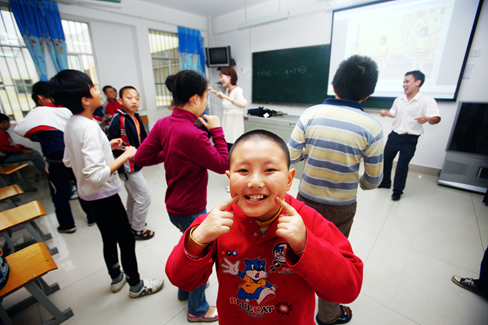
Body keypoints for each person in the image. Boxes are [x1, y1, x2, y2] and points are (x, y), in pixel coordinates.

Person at [165, 129, 363, 325]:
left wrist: (305, 244)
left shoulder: (307, 220)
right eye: (243, 171)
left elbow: (348, 289)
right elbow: (181, 280)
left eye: (269, 170)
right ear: (229, 178)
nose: (255, 182)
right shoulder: (215, 222)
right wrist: (197, 239)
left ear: (288, 180)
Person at [48, 69, 163, 298]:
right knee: (126, 239)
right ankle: (136, 285)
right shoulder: (89, 127)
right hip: (103, 195)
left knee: (107, 236)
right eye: (92, 87)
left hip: (86, 195)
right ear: (85, 99)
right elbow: (96, 174)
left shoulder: (73, 123)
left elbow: (69, 160)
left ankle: (116, 277)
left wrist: (106, 147)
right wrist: (125, 154)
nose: (97, 89)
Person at [288, 55, 383, 325]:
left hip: (305, 201)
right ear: (368, 94)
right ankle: (328, 315)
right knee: (332, 259)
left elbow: (289, 156)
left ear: (334, 84)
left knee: (299, 249)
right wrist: (361, 184)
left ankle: (295, 304)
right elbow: (373, 179)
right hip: (341, 207)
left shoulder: (311, 114)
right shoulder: (373, 128)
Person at [134, 69, 228, 322]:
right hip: (191, 209)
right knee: (200, 258)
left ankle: (184, 292)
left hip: (173, 207)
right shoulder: (192, 133)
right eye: (206, 98)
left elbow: (140, 158)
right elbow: (222, 164)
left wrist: (171, 151)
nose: (206, 103)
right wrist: (217, 131)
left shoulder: (164, 124)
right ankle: (197, 310)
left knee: (189, 248)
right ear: (196, 98)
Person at [14, 81, 95, 233]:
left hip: (55, 161)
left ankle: (67, 225)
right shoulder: (67, 109)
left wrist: (39, 135)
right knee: (82, 188)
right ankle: (92, 217)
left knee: (59, 193)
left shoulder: (36, 113)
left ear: (39, 97)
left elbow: (19, 129)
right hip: (76, 159)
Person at [378, 70, 440, 201]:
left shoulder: (427, 100)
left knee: (401, 166)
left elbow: (436, 118)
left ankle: (397, 191)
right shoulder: (399, 99)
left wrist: (428, 119)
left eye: (407, 81)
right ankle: (385, 182)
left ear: (418, 82)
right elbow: (394, 113)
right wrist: (385, 113)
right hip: (394, 136)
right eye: (403, 82)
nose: (404, 84)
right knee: (387, 160)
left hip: (410, 139)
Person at [106, 86, 154, 240]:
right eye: (129, 97)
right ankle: (137, 229)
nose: (134, 101)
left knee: (134, 195)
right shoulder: (118, 119)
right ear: (120, 100)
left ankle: (131, 222)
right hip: (128, 166)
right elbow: (111, 143)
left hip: (135, 163)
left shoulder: (135, 116)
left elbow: (144, 139)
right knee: (144, 196)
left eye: (137, 98)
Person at [208, 66, 247, 153]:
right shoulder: (228, 91)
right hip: (227, 128)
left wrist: (225, 97)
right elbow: (227, 102)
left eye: (222, 76)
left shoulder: (237, 90)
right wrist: (214, 91)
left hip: (234, 130)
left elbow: (243, 104)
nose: (220, 79)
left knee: (232, 152)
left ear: (230, 76)